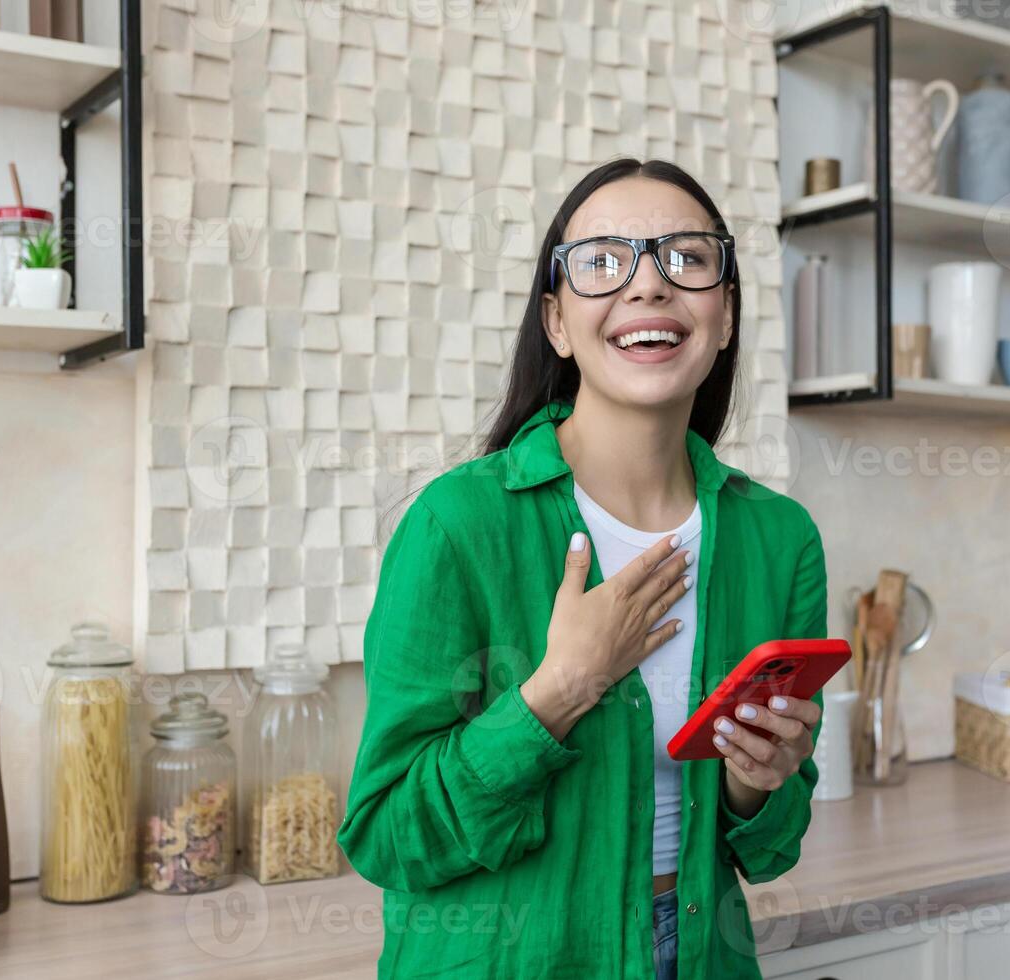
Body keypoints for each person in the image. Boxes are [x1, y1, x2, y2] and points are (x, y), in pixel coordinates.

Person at [336, 157, 828, 979]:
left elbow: (773, 848)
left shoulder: (779, 539)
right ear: (558, 322)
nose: (648, 287)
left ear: (727, 313)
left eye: (687, 258)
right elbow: (387, 836)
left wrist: (759, 781)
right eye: (602, 262)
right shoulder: (457, 524)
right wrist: (560, 688)